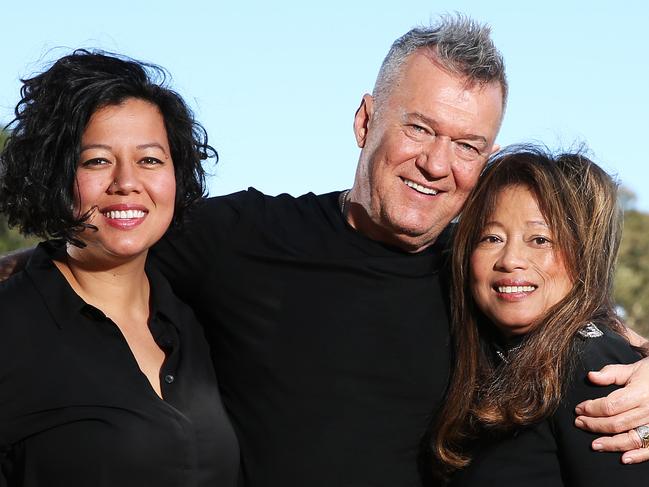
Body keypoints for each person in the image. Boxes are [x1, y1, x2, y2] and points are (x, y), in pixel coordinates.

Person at [3, 15, 649, 486]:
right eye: (418, 128)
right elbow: (93, 255)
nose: (435, 162)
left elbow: (575, 328)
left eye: (467, 145)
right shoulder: (240, 236)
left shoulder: (482, 273)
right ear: (365, 120)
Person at [0, 50, 239, 486]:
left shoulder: (196, 324)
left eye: (149, 159)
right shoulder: (11, 327)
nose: (126, 181)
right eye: (97, 160)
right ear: (53, 175)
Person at [432, 146, 649, 485]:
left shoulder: (591, 364)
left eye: (539, 239)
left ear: (581, 254)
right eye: (491, 237)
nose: (511, 259)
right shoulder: (489, 354)